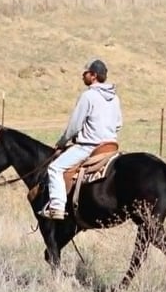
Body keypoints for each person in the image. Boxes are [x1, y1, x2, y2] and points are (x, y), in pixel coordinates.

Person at [39, 58, 122, 220]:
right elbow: (118, 124)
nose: (82, 76)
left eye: (85, 73)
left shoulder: (88, 96)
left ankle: (57, 207)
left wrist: (62, 142)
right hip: (110, 146)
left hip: (89, 147)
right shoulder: (115, 98)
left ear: (93, 75)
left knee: (55, 168)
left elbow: (74, 126)